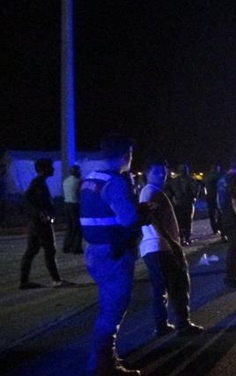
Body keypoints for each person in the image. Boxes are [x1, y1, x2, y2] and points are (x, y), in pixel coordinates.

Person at [81, 134, 149, 376]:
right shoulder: (115, 182)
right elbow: (129, 218)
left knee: (106, 308)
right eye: (130, 155)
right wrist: (145, 211)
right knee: (112, 311)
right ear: (125, 156)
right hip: (114, 253)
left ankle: (103, 361)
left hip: (94, 251)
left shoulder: (91, 178)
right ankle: (103, 366)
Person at [138, 157, 204, 337]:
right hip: (161, 247)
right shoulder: (152, 192)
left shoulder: (150, 191)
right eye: (156, 172)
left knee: (160, 289)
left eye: (163, 171)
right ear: (147, 173)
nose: (162, 175)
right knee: (179, 285)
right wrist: (172, 243)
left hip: (153, 248)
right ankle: (183, 324)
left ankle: (161, 325)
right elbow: (153, 219)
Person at [20, 158, 73, 289]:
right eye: (51, 166)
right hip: (41, 224)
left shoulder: (39, 182)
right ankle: (56, 280)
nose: (53, 169)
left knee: (31, 251)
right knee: (50, 250)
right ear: (44, 169)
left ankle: (24, 281)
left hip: (36, 223)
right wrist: (41, 212)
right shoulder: (38, 182)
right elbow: (28, 196)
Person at [216, 157, 236, 287]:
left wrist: (224, 212)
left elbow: (218, 199)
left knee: (233, 246)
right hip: (233, 217)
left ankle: (235, 274)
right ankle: (231, 277)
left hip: (226, 215)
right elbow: (235, 201)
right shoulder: (234, 179)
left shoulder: (222, 178)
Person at [165, 164, 201, 246]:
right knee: (187, 221)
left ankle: (181, 238)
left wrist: (172, 197)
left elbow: (167, 190)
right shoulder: (191, 180)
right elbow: (195, 192)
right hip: (186, 203)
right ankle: (187, 238)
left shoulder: (174, 181)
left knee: (179, 222)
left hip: (178, 204)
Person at [63, 164, 84, 254]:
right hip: (75, 205)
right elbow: (82, 193)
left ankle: (66, 246)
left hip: (67, 204)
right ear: (77, 172)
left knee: (70, 227)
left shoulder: (66, 181)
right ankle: (76, 248)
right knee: (77, 227)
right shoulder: (79, 181)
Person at [203, 164, 224, 240]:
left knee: (211, 214)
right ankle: (219, 227)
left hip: (209, 197)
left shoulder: (207, 176)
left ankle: (214, 229)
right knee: (220, 213)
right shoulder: (218, 176)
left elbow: (204, 187)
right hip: (217, 196)